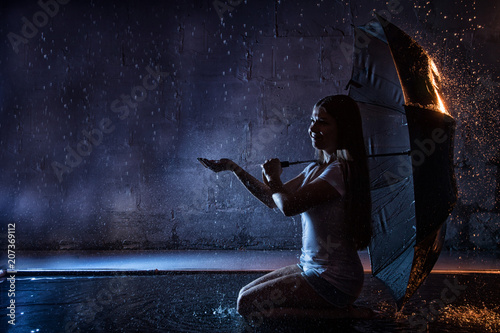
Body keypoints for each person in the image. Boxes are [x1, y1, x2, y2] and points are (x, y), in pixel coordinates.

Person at [198, 95, 373, 321]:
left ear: (343, 128)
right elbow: (272, 199)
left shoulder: (339, 173)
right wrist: (234, 169)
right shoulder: (314, 169)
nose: (313, 128)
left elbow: (289, 206)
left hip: (335, 279)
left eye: (323, 122)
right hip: (310, 267)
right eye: (312, 120)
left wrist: (274, 179)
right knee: (244, 296)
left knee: (248, 306)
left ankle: (345, 316)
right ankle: (336, 313)